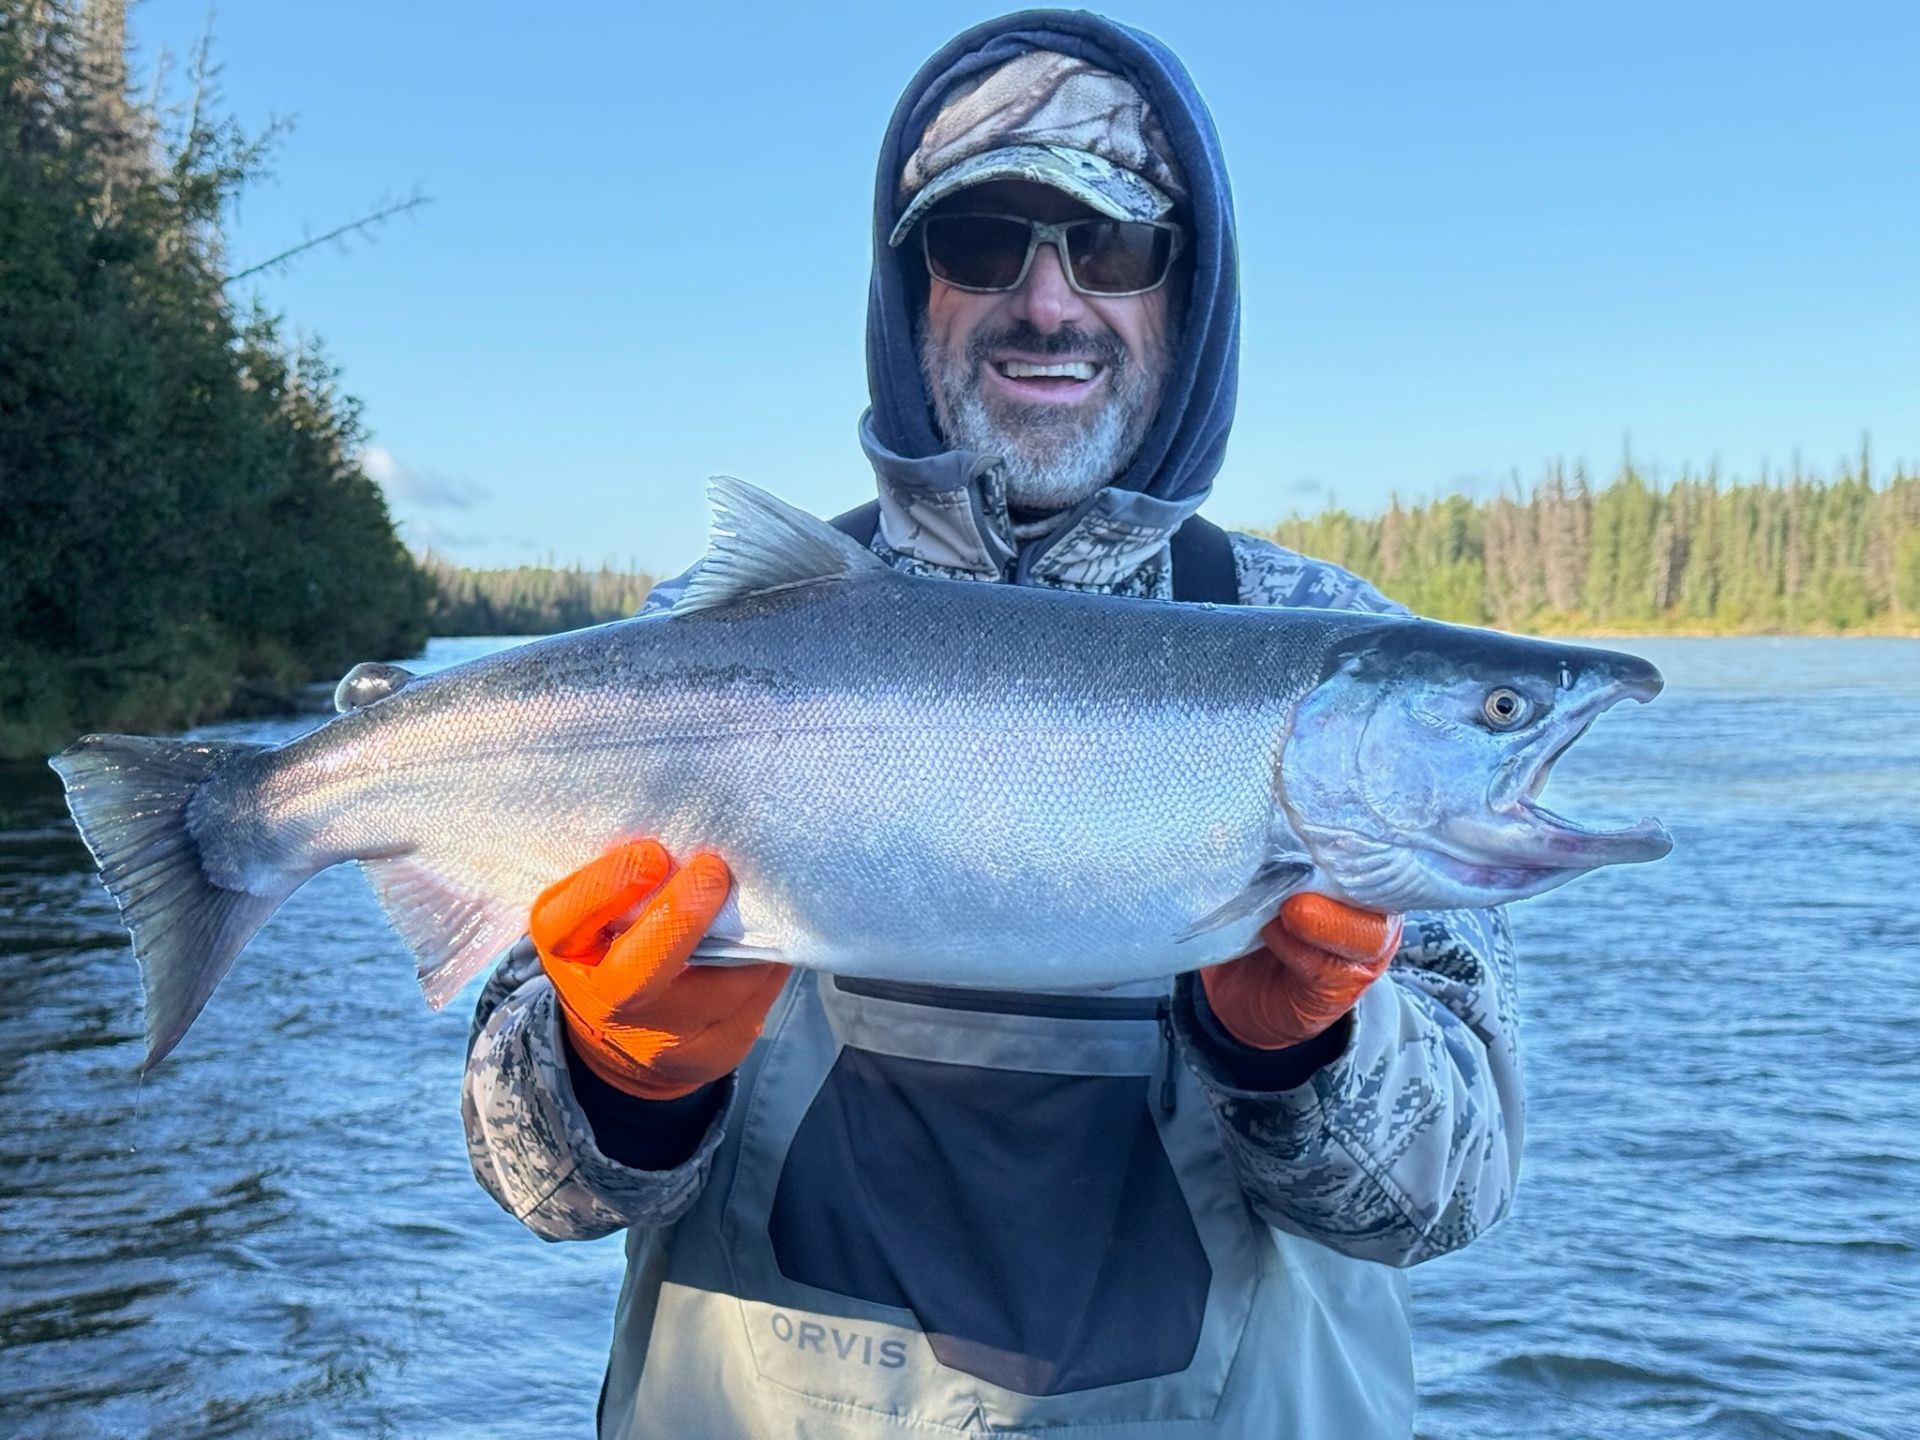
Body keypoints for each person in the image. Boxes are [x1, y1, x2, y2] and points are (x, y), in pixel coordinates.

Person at [463, 12, 1521, 1438]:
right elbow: (542, 1189)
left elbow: (1446, 1201)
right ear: (910, 296)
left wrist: (1305, 1055)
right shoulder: (701, 652)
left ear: (1185, 299)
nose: (1051, 299)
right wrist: (618, 1075)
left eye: (1116, 247)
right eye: (984, 242)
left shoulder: (1318, 630)